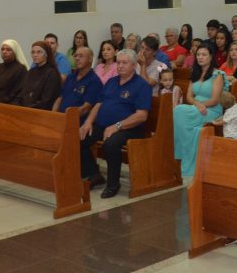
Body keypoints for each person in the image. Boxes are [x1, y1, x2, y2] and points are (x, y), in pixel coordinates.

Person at [79, 50, 152, 198]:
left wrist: (117, 126)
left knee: (110, 144)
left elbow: (141, 116)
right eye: (118, 63)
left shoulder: (141, 85)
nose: (120, 66)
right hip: (105, 125)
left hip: (130, 128)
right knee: (80, 137)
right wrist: (87, 122)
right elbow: (99, 104)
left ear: (133, 65)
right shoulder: (112, 82)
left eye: (124, 63)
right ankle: (94, 174)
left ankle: (113, 184)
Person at [173, 45, 226, 175]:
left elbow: (215, 99)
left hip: (211, 110)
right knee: (178, 111)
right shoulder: (195, 73)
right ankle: (184, 156)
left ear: (211, 56)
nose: (200, 57)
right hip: (197, 108)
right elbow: (189, 97)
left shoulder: (217, 75)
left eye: (204, 55)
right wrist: (198, 104)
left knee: (179, 111)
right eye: (198, 55)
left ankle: (184, 157)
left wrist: (202, 105)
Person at [53, 47, 102, 125]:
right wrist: (53, 115)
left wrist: (68, 118)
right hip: (60, 118)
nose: (77, 58)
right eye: (75, 56)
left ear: (90, 59)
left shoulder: (94, 81)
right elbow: (60, 98)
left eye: (81, 56)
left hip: (76, 122)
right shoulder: (70, 77)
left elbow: (86, 108)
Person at [19, 41, 62, 110]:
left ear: (46, 54)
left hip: (42, 112)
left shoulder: (52, 73)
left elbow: (47, 100)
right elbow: (23, 92)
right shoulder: (31, 71)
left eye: (39, 52)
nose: (35, 55)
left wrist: (30, 107)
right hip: (26, 109)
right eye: (33, 52)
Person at [0, 40, 27, 104]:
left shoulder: (20, 69)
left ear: (15, 52)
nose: (4, 52)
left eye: (8, 50)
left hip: (6, 105)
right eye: (2, 49)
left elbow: (17, 92)